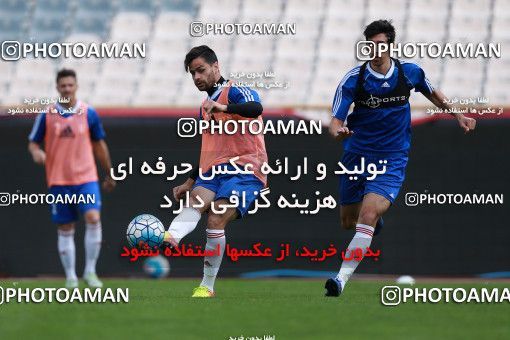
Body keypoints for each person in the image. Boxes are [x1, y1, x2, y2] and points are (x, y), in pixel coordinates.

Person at [325, 20, 476, 297]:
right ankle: (373, 223)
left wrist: (458, 114)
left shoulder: (409, 73)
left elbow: (435, 94)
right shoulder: (353, 79)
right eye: (370, 44)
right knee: (349, 221)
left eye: (381, 44)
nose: (375, 49)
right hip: (357, 155)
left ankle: (340, 280)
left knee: (367, 214)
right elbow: (334, 122)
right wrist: (339, 133)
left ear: (390, 45)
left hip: (392, 158)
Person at [164, 45, 267, 297]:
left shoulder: (235, 91)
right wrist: (190, 181)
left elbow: (256, 108)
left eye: (201, 70)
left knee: (215, 218)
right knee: (195, 200)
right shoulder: (204, 107)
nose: (197, 77)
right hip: (214, 170)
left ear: (216, 66)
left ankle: (206, 287)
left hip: (246, 169)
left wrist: (223, 108)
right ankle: (172, 236)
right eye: (192, 74)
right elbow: (209, 149)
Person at [28, 69, 116, 288]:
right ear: (57, 88)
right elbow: (33, 142)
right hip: (59, 181)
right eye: (63, 85)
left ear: (76, 86)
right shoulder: (47, 114)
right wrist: (36, 152)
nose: (67, 89)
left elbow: (99, 145)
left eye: (70, 85)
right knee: (65, 228)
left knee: (94, 218)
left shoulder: (88, 113)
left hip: (86, 178)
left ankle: (90, 272)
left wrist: (109, 172)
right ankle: (70, 277)